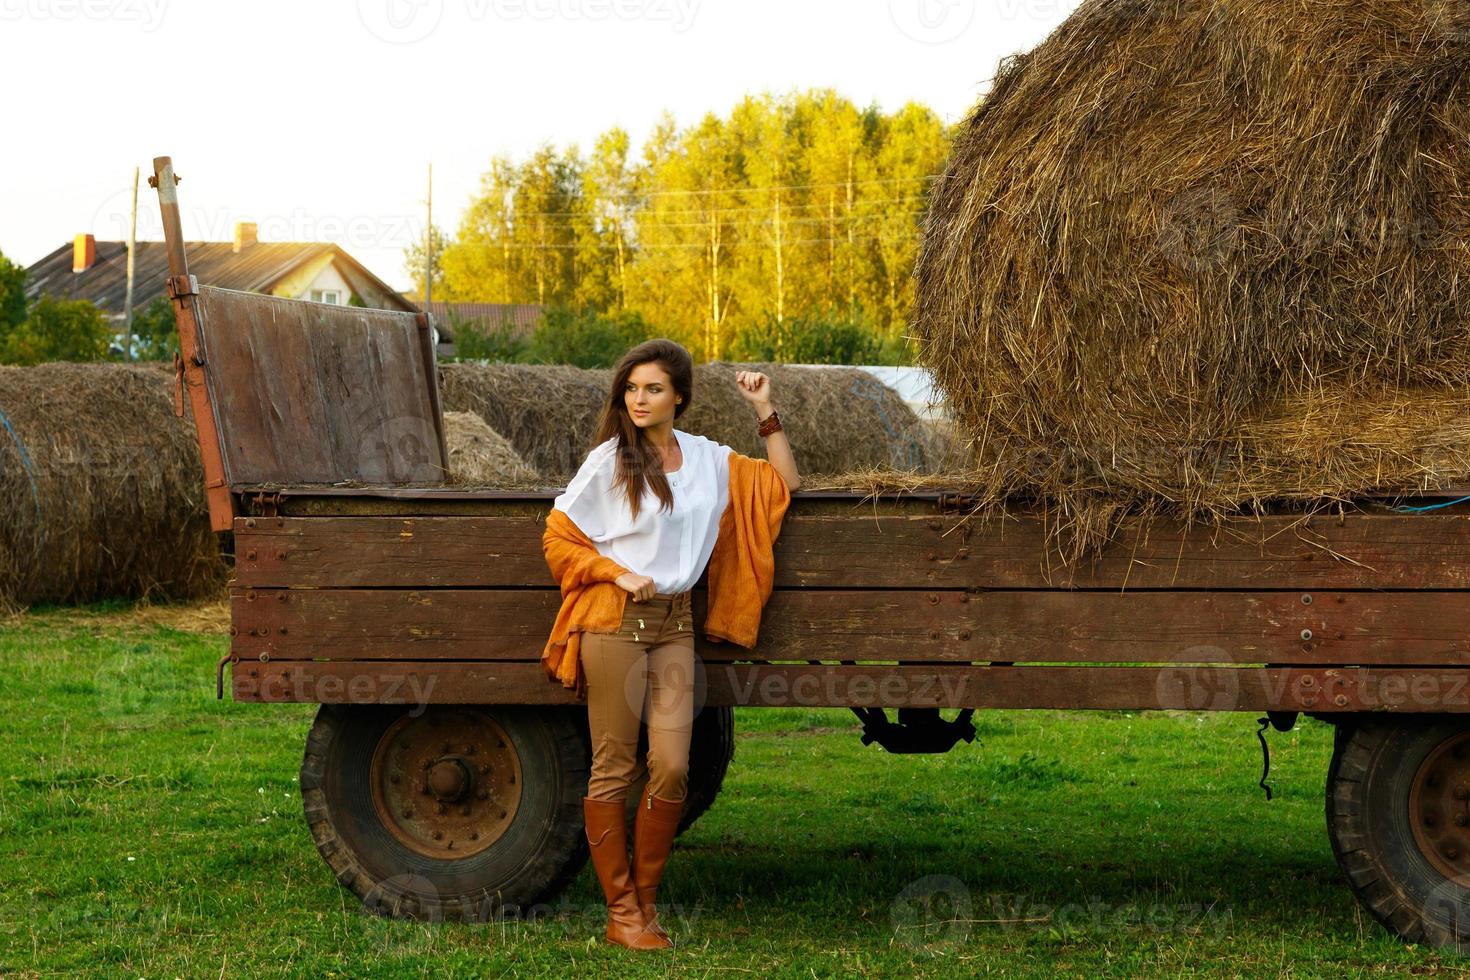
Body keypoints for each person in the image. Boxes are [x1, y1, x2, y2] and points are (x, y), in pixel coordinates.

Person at [542, 338, 800, 949]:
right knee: (614, 765)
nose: (639, 399)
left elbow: (784, 482)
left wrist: (765, 410)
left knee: (674, 766)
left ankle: (645, 903)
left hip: (676, 626)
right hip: (617, 624)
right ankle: (621, 912)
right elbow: (558, 538)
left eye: (652, 388)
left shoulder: (710, 459)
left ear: (678, 397)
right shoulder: (610, 461)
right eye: (631, 388)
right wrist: (613, 571)